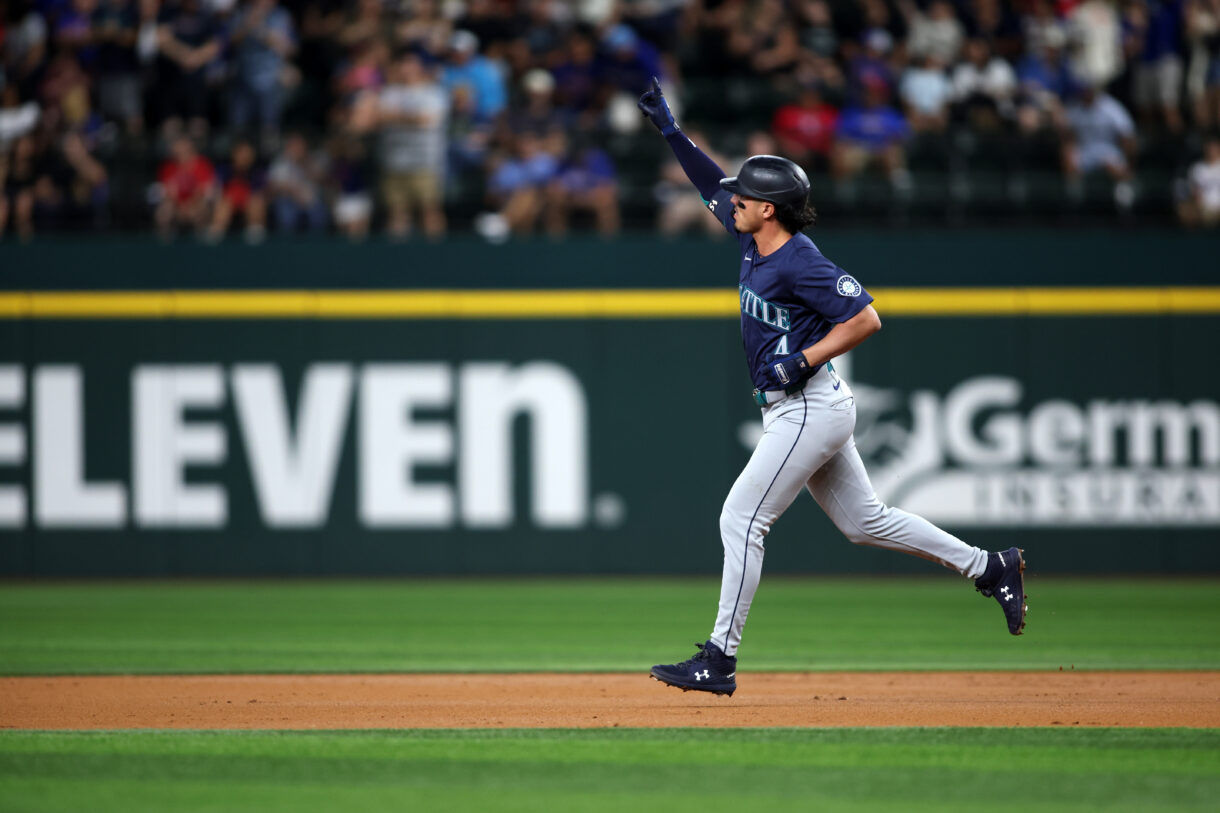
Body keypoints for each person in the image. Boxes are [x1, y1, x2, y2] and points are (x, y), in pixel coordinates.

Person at [635, 77, 1028, 697]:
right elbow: (710, 183)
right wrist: (671, 131)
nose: (732, 200)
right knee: (864, 522)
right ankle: (988, 565)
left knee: (741, 518)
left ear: (769, 208)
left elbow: (866, 317)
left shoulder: (799, 259)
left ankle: (720, 657)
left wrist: (806, 358)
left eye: (745, 197)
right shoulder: (750, 236)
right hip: (803, 408)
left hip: (807, 408)